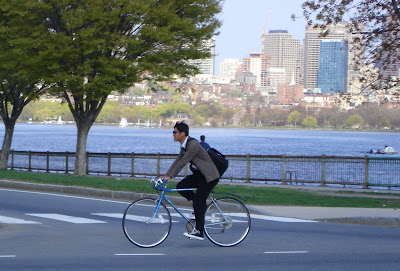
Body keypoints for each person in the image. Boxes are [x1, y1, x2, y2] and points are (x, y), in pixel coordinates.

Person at [163, 121, 220, 241]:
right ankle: (200, 208)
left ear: (182, 133)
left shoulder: (192, 145)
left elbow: (184, 161)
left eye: (175, 132)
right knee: (181, 186)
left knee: (198, 202)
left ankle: (199, 231)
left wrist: (171, 176)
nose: (173, 134)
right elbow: (178, 160)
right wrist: (166, 175)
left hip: (209, 177)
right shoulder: (184, 145)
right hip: (200, 175)